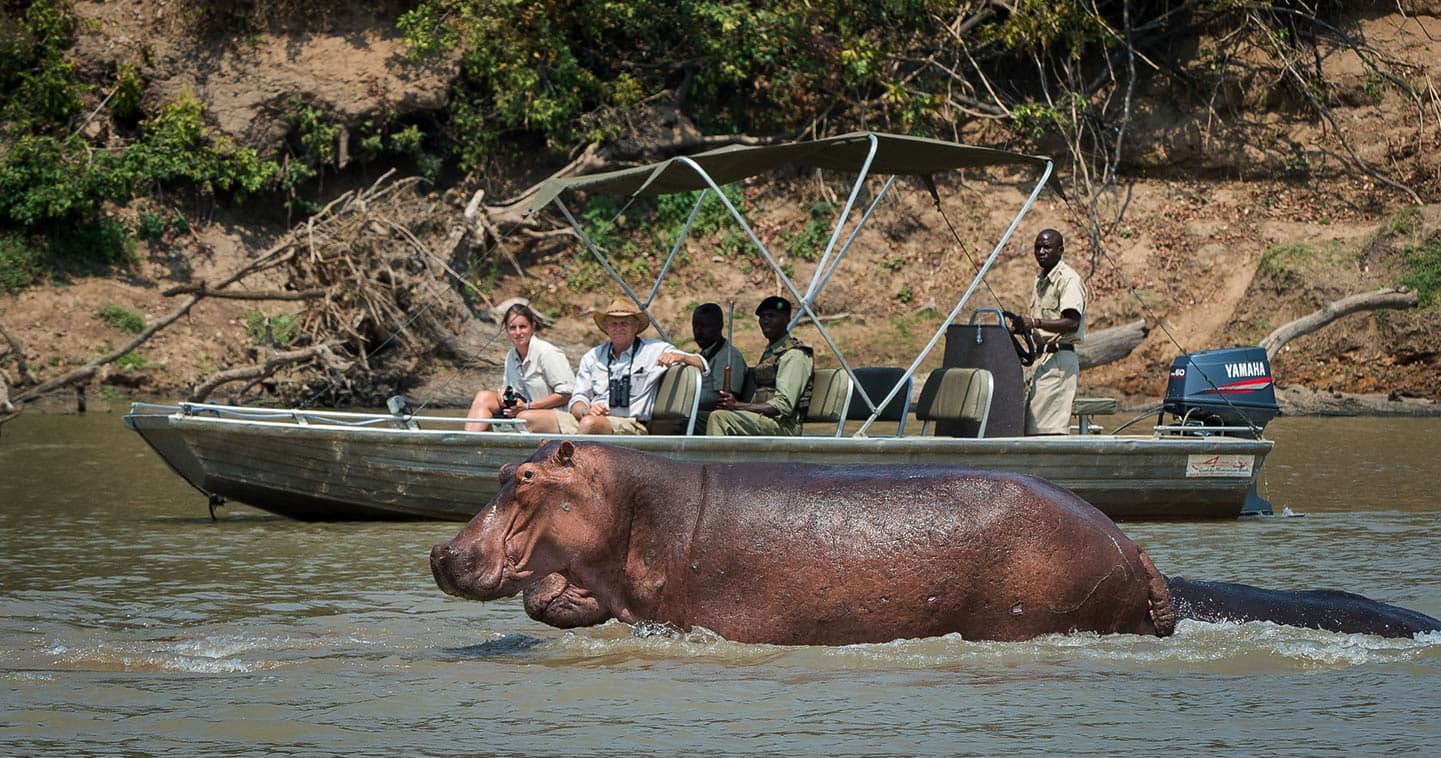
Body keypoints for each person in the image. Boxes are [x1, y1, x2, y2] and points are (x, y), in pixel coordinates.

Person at [520, 297, 703, 435]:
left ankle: (569, 466)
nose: (618, 328)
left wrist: (679, 356)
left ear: (635, 326)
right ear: (606, 328)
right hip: (589, 420)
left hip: (631, 424)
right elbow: (577, 400)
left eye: (624, 323)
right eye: (613, 324)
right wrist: (586, 410)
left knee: (591, 425)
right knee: (525, 419)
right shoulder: (592, 356)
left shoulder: (654, 349)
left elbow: (702, 363)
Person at [1009, 228, 1087, 435]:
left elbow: (1072, 322)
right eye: (1038, 248)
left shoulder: (1068, 279)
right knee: (1032, 426)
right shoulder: (1041, 280)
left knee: (1047, 429)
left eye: (1047, 247)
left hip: (1059, 360)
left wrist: (1035, 323)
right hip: (1040, 359)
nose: (1041, 252)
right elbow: (1042, 324)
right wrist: (1020, 328)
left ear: (1060, 250)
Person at [707, 295, 814, 436]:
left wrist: (737, 405)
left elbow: (783, 406)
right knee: (694, 419)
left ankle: (716, 452)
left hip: (784, 425)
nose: (765, 321)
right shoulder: (771, 353)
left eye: (771, 316)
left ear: (787, 319)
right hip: (763, 420)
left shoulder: (794, 355)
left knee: (720, 418)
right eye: (762, 317)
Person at [464, 303, 574, 432]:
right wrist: (503, 392)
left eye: (522, 327)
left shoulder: (548, 353)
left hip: (557, 415)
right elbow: (508, 387)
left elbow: (566, 394)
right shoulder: (511, 355)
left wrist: (528, 406)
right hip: (522, 412)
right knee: (483, 396)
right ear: (506, 330)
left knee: (524, 417)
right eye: (512, 328)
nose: (518, 332)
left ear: (532, 327)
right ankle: (467, 440)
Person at [659, 303, 747, 429]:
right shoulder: (704, 355)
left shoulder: (729, 356)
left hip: (718, 418)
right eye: (695, 326)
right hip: (700, 411)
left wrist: (685, 398)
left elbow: (720, 398)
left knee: (675, 423)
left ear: (719, 326)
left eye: (704, 326)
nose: (698, 331)